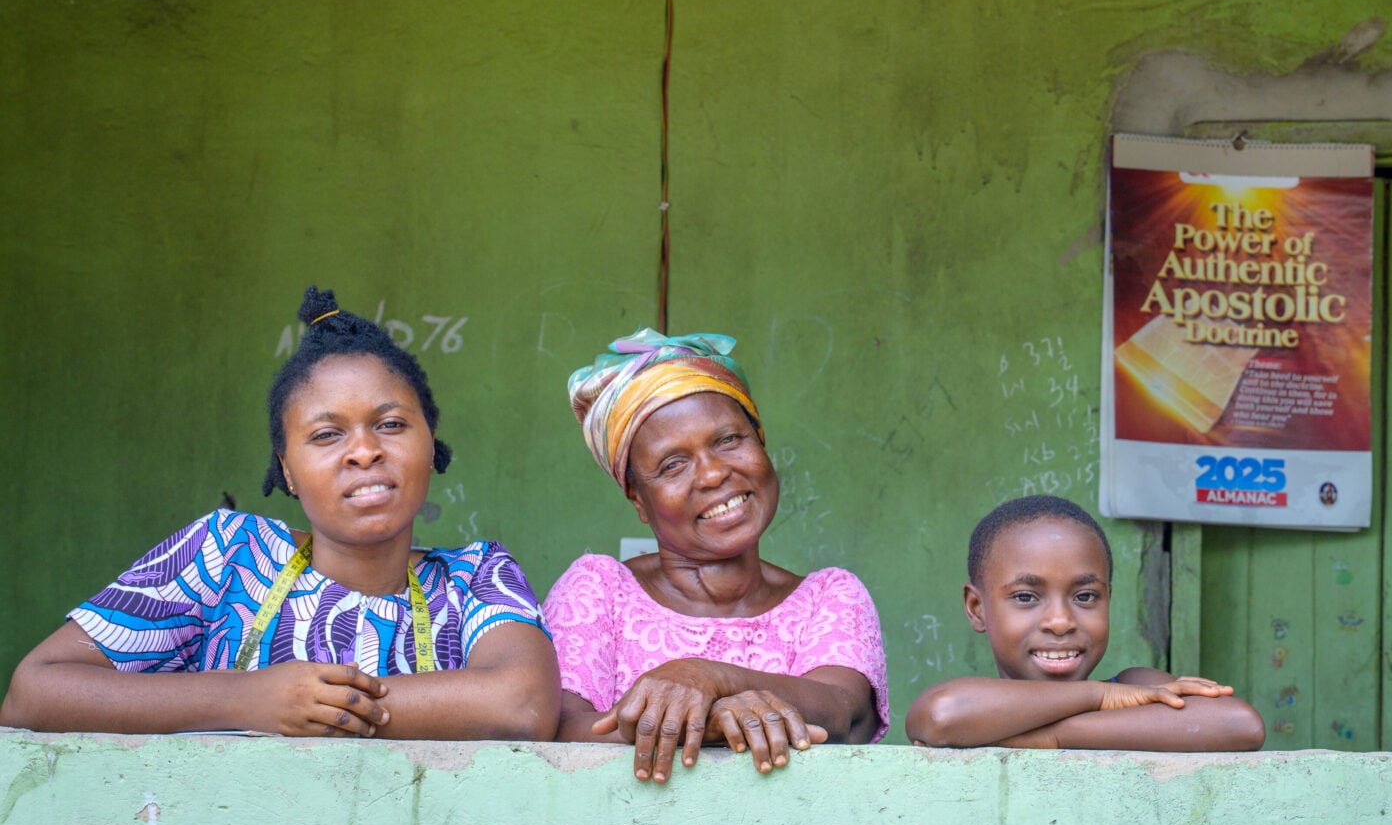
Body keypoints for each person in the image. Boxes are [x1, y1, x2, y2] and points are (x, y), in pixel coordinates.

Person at [0, 288, 560, 741]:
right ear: (286, 470)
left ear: (430, 444)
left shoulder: (477, 577)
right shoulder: (225, 553)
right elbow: (35, 692)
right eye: (326, 434)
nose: (364, 451)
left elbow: (524, 703)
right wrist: (246, 699)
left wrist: (315, 708)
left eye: (390, 425)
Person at [543, 329, 887, 783]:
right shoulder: (600, 589)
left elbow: (843, 714)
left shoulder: (828, 597)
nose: (713, 474)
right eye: (673, 465)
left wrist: (708, 677)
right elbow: (560, 730)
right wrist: (715, 720)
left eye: (728, 440)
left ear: (761, 442)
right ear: (638, 500)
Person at [905, 495, 1265, 750]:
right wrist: (1100, 695)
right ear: (976, 608)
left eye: (1085, 596)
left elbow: (1239, 724)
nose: (1060, 622)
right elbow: (942, 715)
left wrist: (1054, 736)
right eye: (1026, 597)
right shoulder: (1119, 696)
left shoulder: (1136, 685)